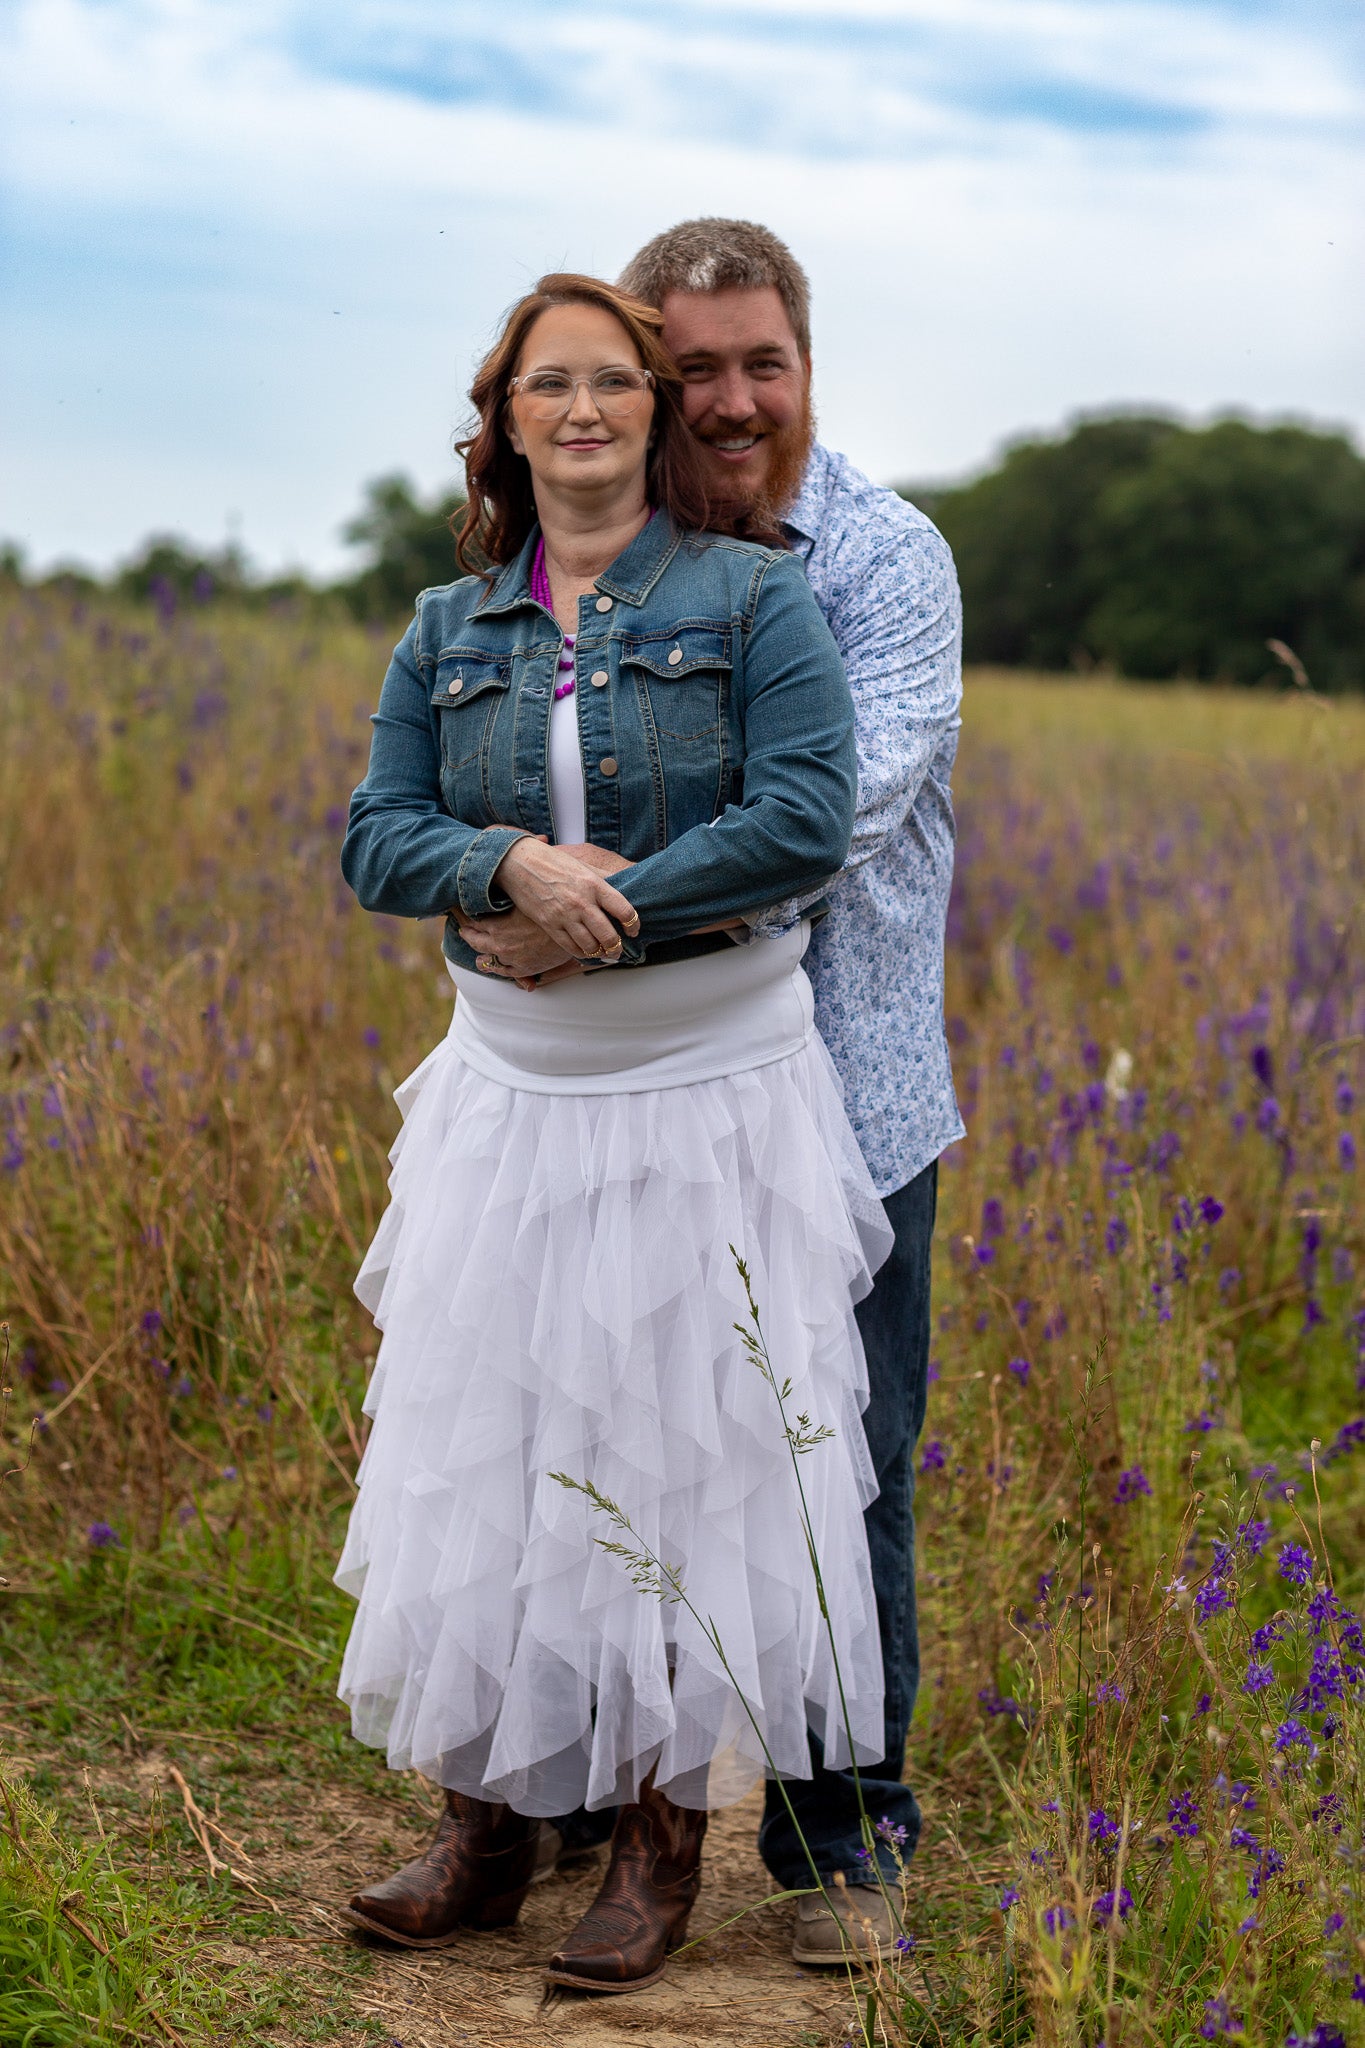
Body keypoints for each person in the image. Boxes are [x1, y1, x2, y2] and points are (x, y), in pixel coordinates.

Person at [335, 273, 896, 1996]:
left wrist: (604, 909)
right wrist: (503, 863)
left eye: (611, 384)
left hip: (705, 1090)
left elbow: (804, 818)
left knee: (679, 1460)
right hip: (506, 1097)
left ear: (654, 415)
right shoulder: (446, 627)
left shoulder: (751, 597)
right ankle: (485, 1829)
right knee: (489, 1452)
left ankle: (659, 1843)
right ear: (504, 421)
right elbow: (375, 834)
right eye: (545, 386)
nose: (580, 411)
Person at [457, 222, 964, 1966]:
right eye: (696, 371)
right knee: (598, 1442)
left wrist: (568, 908)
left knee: (841, 1464)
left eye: (764, 363)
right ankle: (580, 1795)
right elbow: (486, 776)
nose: (733, 401)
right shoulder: (597, 556)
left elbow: (829, 818)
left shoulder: (883, 560)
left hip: (843, 1086)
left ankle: (839, 1847)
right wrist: (502, 876)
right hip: (619, 1088)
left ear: (807, 365)